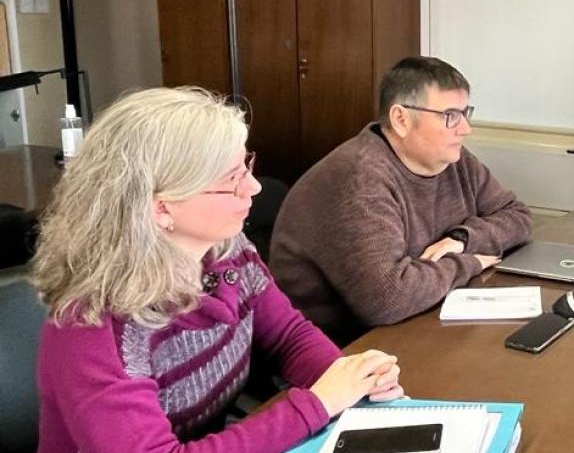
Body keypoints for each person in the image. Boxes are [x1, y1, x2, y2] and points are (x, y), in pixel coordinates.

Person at [31, 87, 403, 453]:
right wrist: (317, 404)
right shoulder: (93, 323)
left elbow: (286, 335)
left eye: (246, 168)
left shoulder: (225, 249)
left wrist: (352, 379)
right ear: (161, 208)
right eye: (231, 180)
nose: (254, 187)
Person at [271, 57, 531, 344]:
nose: (465, 129)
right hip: (339, 351)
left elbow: (517, 216)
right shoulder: (360, 179)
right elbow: (387, 298)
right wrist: (468, 263)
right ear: (401, 119)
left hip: (419, 323)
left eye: (465, 113)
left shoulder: (451, 159)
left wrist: (461, 240)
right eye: (451, 116)